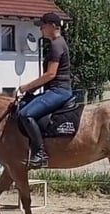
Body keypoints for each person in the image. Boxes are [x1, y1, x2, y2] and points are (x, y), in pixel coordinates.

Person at [17, 12, 74, 168]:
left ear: (53, 26)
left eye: (43, 26)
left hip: (59, 91)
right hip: (55, 90)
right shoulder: (57, 43)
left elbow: (50, 74)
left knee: (25, 114)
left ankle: (40, 152)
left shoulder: (57, 45)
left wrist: (27, 87)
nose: (40, 28)